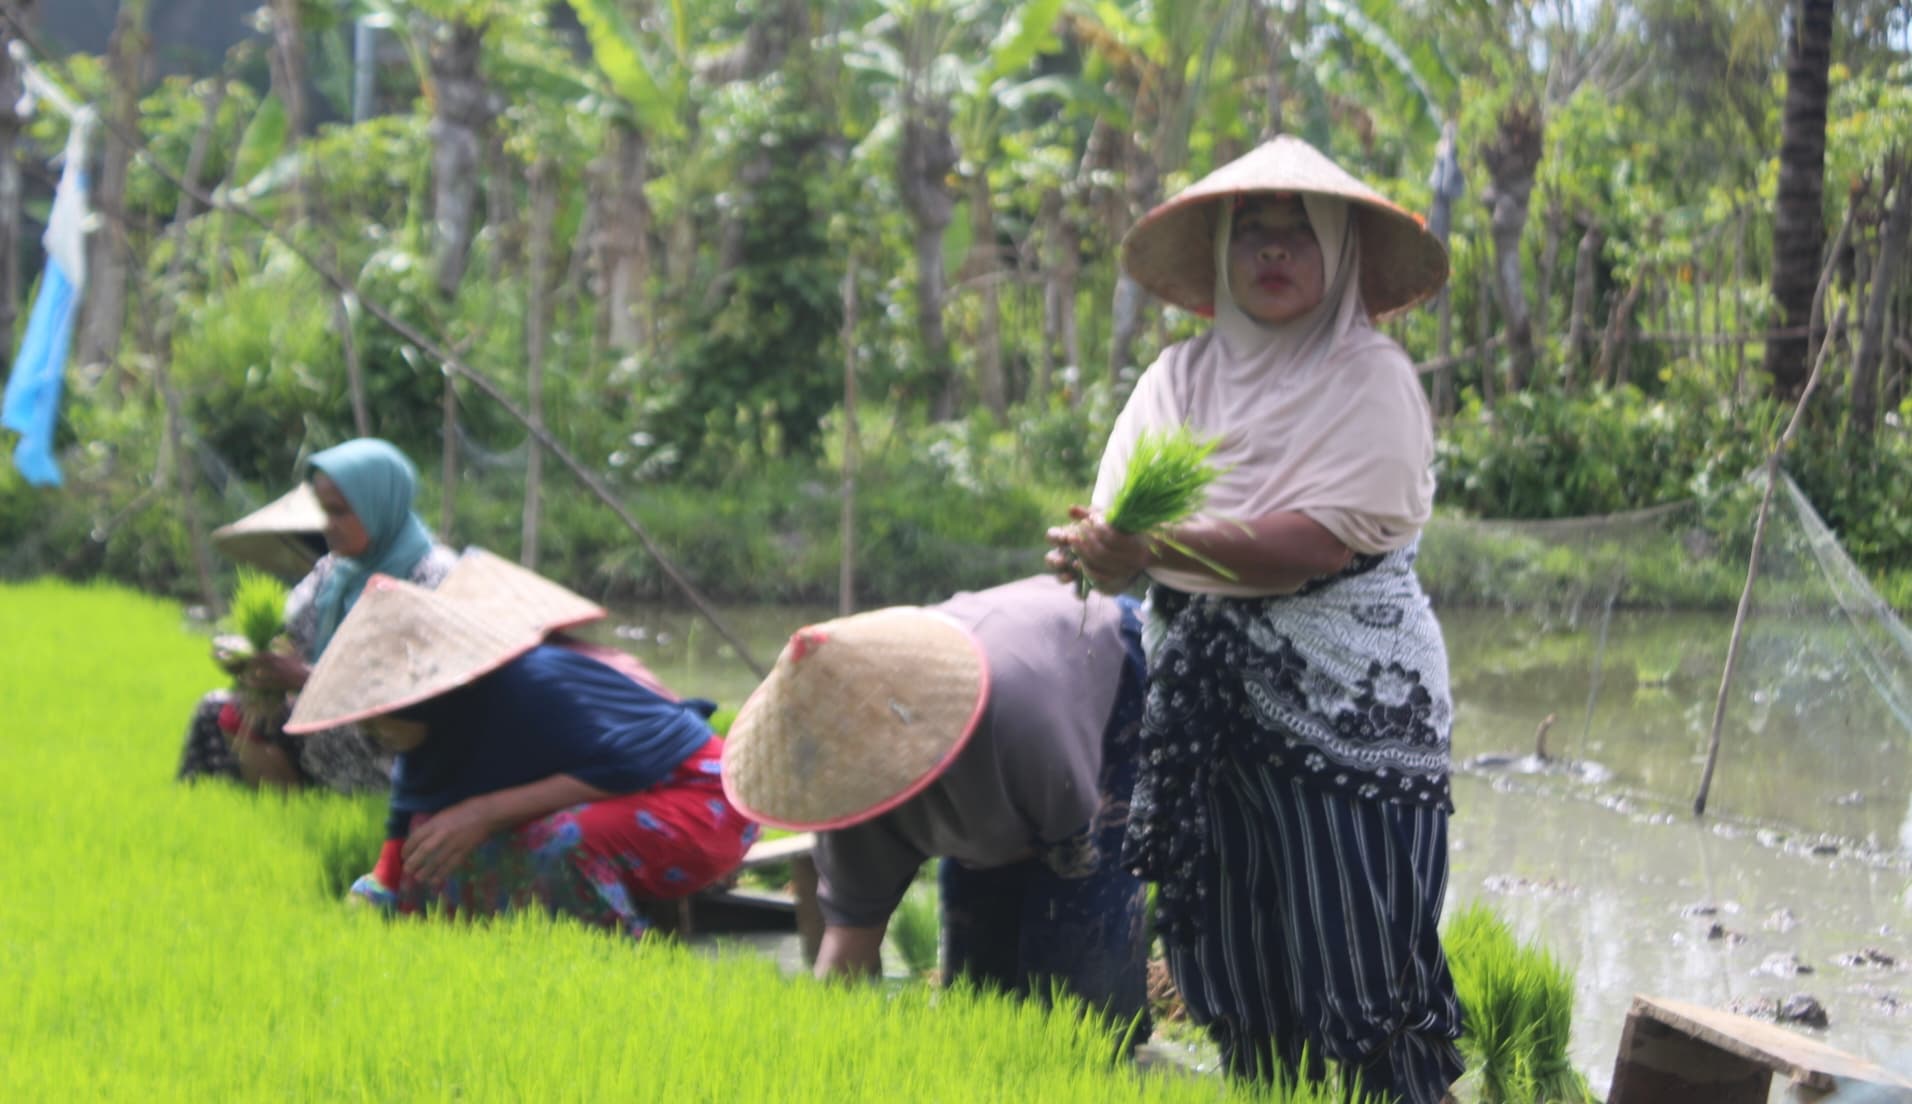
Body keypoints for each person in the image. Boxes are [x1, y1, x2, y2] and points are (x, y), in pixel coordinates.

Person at [1045, 136, 1464, 1103]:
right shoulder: (1176, 384)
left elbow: (1317, 541)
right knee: (1232, 971)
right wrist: (1090, 551)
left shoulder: (1372, 379)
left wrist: (1147, 550)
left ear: (1340, 255)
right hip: (1205, 717)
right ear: (1224, 257)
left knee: (1361, 974)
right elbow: (1118, 524)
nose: (1273, 252)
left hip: (1350, 716)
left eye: (1298, 237)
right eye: (1253, 235)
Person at [720, 575, 1152, 1045]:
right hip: (1006, 725)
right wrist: (817, 1049)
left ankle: (1104, 1068)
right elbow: (850, 938)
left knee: (1081, 980)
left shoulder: (1018, 723)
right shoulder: (844, 797)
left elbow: (1073, 848)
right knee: (979, 993)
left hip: (1103, 669)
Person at [284, 575, 756, 938]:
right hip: (615, 800)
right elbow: (401, 856)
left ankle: (619, 958)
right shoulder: (433, 735)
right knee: (440, 853)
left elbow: (625, 768)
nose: (371, 733)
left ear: (422, 699)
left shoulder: (530, 688)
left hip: (702, 794)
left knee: (553, 843)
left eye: (379, 717)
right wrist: (362, 910)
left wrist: (484, 812)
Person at [177, 438, 457, 792]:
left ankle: (305, 803)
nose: (325, 524)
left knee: (334, 732)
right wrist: (249, 654)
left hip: (394, 735)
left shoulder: (432, 576)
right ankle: (241, 816)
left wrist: (310, 680)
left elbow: (421, 693)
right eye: (321, 510)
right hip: (320, 715)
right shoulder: (335, 569)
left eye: (338, 511)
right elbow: (289, 629)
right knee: (217, 710)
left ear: (379, 505)